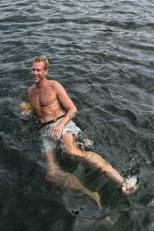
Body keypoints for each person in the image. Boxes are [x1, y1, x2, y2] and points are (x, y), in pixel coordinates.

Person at [27, 56, 137, 206]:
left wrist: (60, 125)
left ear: (46, 71)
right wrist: (28, 114)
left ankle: (123, 181)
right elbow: (38, 113)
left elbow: (72, 109)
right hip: (45, 131)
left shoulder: (54, 86)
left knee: (72, 150)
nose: (34, 73)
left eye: (38, 70)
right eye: (33, 69)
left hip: (61, 123)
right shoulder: (30, 92)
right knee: (51, 173)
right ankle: (90, 193)